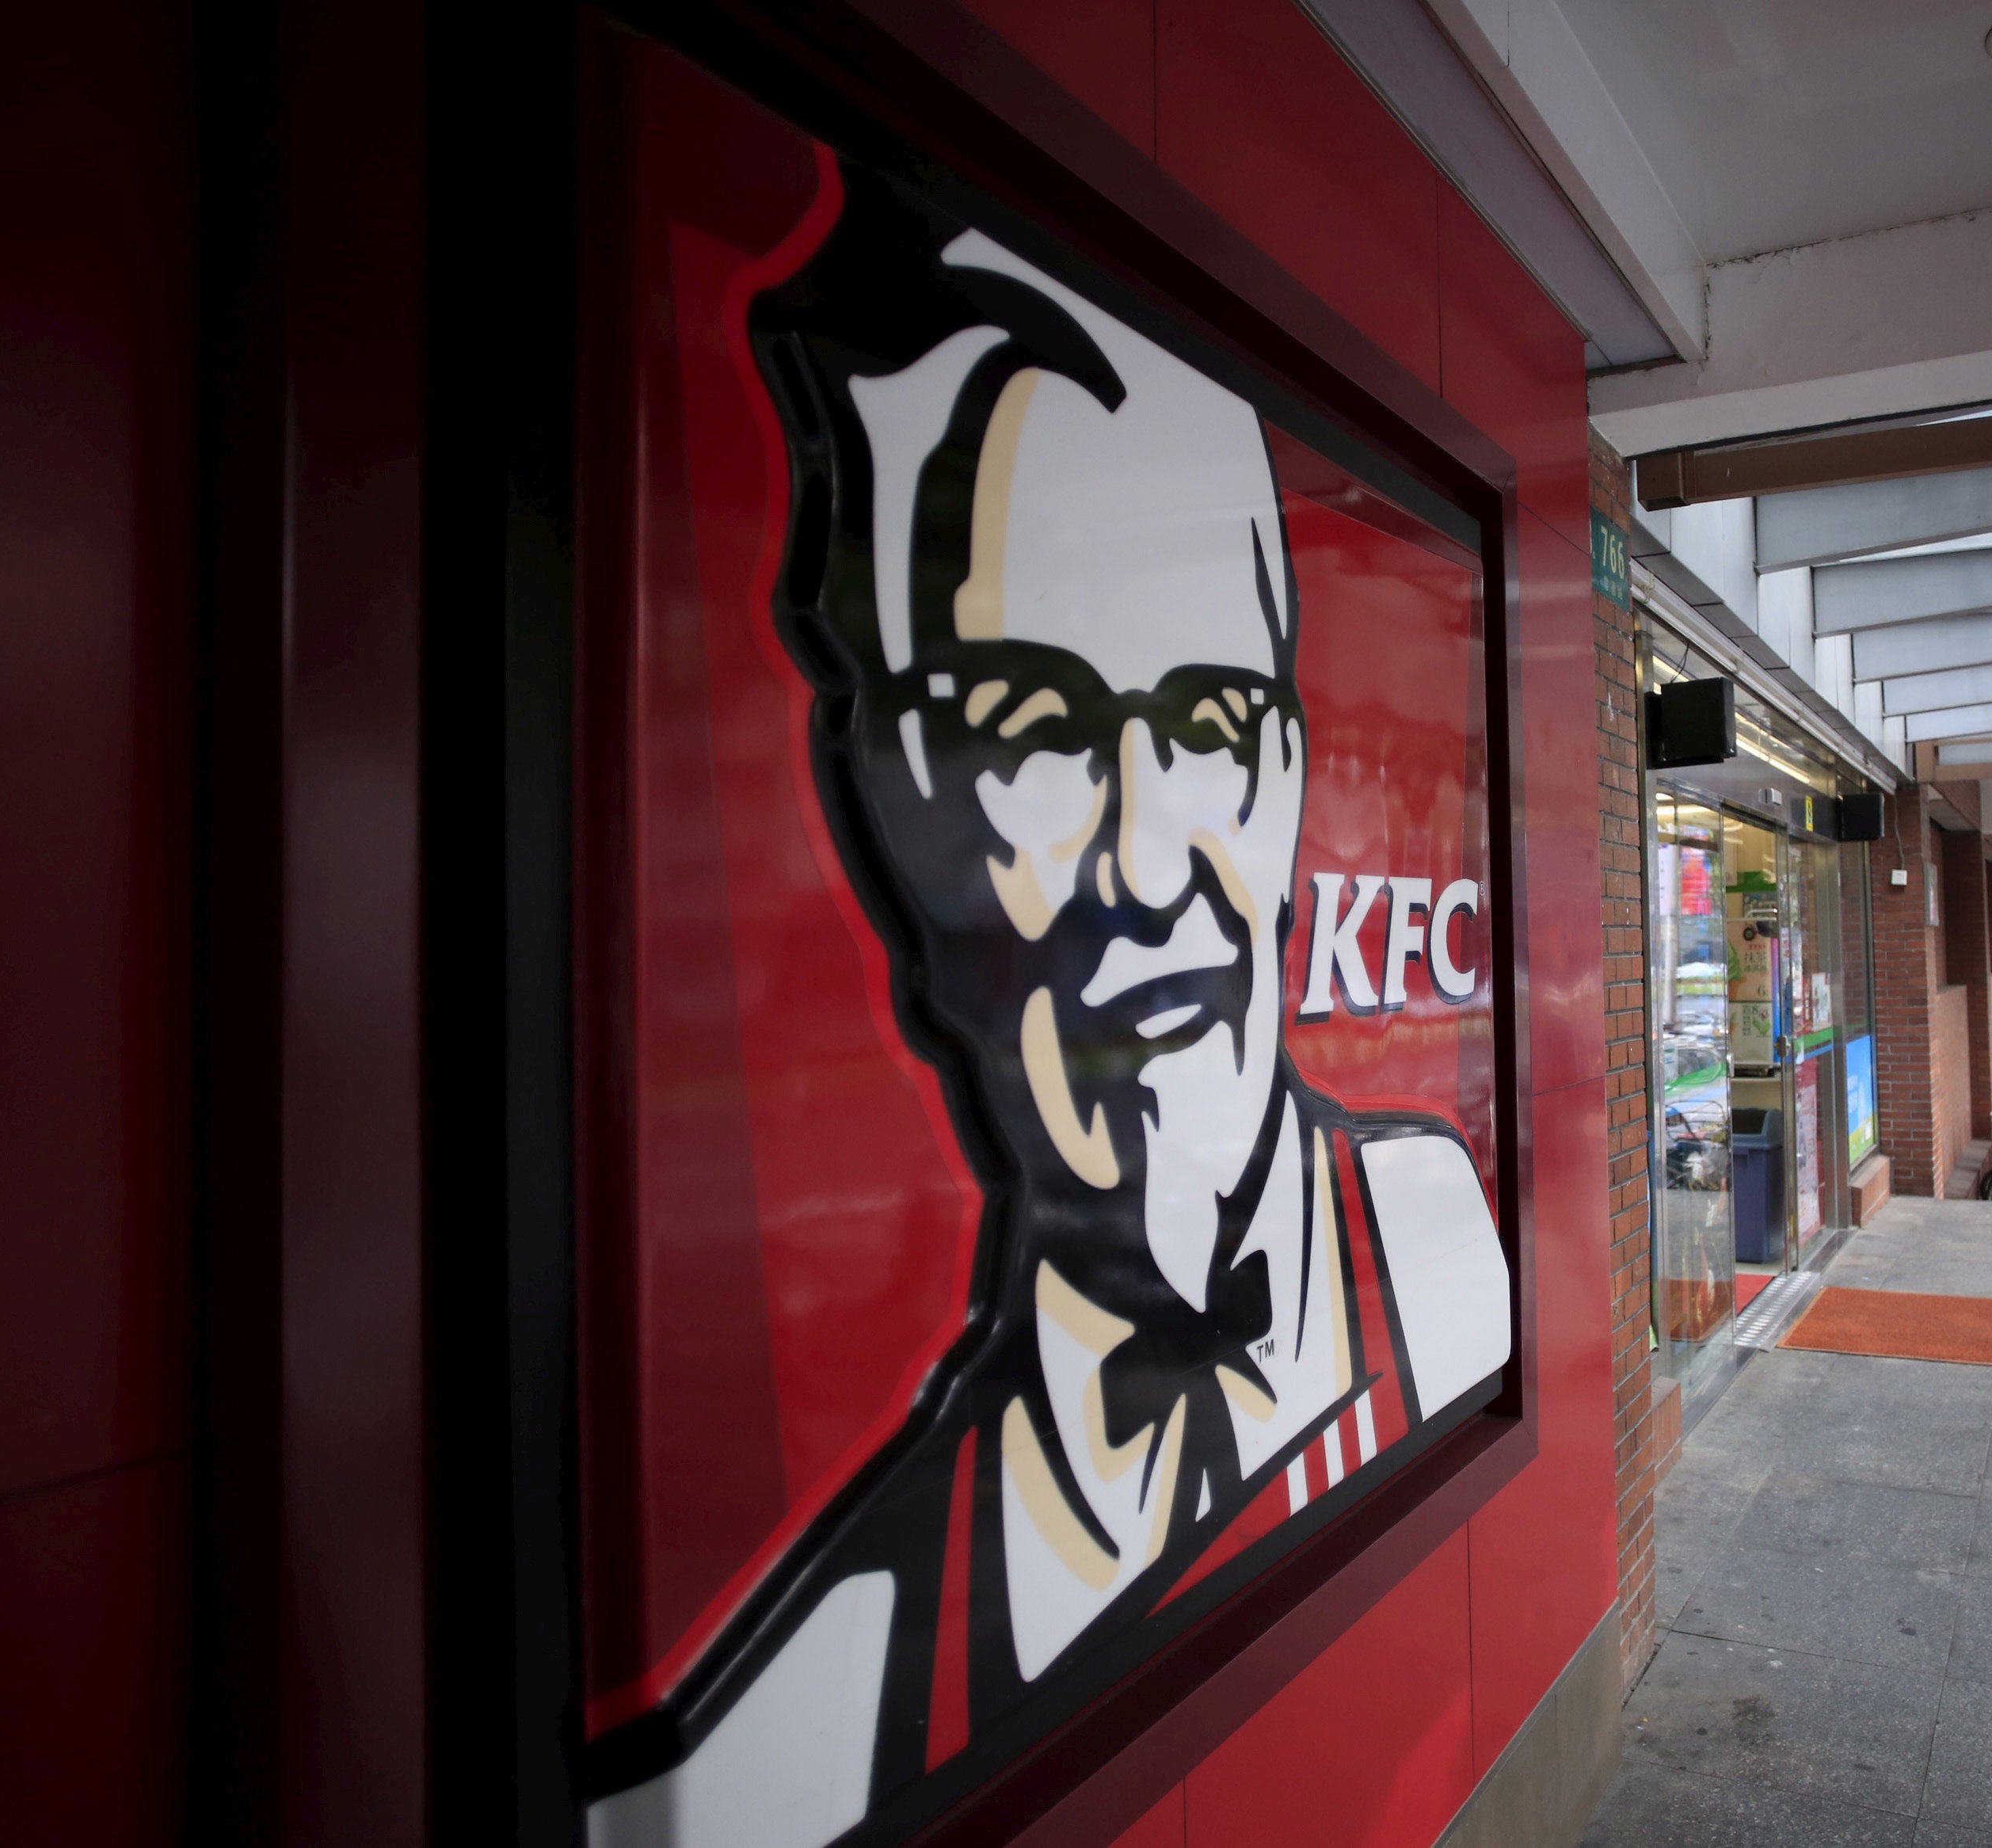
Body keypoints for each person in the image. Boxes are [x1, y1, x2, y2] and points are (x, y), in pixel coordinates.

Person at [586, 168, 1513, 1842]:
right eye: (1029, 722)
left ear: (1291, 781)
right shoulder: (803, 1716)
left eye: (1217, 722)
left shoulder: (1445, 1264)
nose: (1150, 852)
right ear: (893, 790)